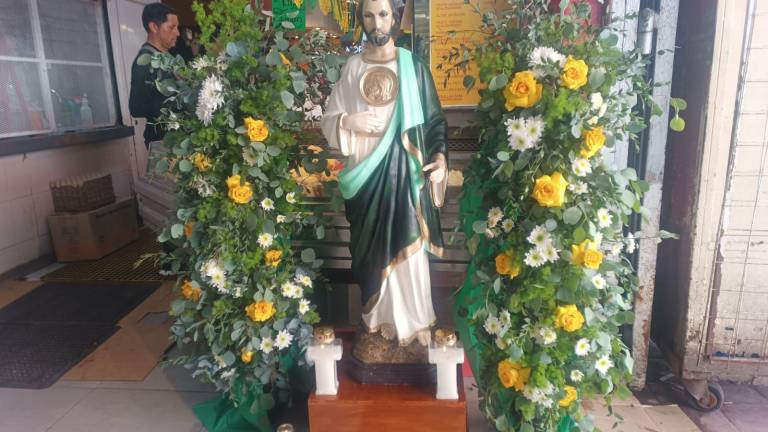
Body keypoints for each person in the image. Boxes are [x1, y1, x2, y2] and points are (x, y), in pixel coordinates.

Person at [320, 0, 448, 347]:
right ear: (361, 20)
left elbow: (435, 121)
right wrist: (349, 121)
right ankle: (376, 322)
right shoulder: (351, 68)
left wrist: (439, 157)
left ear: (395, 18)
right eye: (369, 15)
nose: (377, 23)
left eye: (383, 14)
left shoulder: (414, 67)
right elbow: (329, 120)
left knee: (409, 247)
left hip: (406, 178)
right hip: (366, 179)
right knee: (368, 253)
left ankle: (415, 322)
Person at [129, 3, 179, 148]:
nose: (177, 33)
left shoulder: (168, 57)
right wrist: (172, 103)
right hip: (162, 142)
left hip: (178, 140)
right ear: (154, 27)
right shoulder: (144, 62)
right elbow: (136, 108)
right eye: (171, 27)